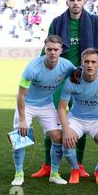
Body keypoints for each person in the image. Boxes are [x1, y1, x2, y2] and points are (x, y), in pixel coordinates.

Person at [31, 0, 98, 179]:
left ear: (84, 1)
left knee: (81, 121)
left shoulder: (95, 21)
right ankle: (47, 165)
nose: (75, 3)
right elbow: (48, 50)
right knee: (52, 122)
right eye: (72, 0)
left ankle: (80, 165)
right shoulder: (57, 22)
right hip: (60, 79)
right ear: (66, 2)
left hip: (84, 79)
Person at [10, 35, 76, 186]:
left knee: (58, 137)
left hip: (46, 104)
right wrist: (22, 120)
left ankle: (54, 173)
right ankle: (19, 174)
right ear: (44, 49)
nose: (52, 53)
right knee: (20, 137)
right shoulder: (32, 68)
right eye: (49, 49)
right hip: (27, 105)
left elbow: (79, 77)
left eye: (56, 50)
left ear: (61, 50)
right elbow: (21, 94)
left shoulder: (67, 66)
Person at [58, 48, 98, 185]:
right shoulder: (73, 80)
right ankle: (75, 170)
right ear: (81, 63)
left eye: (93, 62)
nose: (90, 65)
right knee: (66, 142)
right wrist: (66, 129)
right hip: (76, 119)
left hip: (97, 120)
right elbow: (62, 108)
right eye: (86, 61)